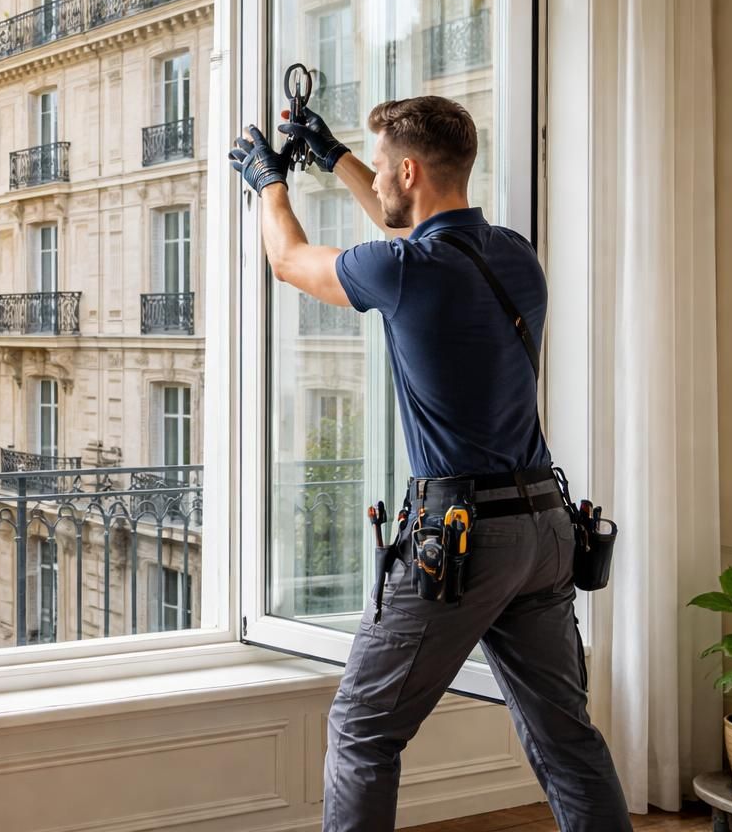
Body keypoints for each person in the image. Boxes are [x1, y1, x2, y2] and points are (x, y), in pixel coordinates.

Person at [230, 96, 630, 832]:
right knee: (567, 739)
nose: (375, 181)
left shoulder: (409, 270)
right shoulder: (513, 254)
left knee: (362, 730)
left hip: (463, 537)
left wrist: (268, 182)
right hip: (544, 526)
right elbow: (405, 222)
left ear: (409, 171)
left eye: (382, 170)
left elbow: (288, 259)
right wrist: (341, 157)